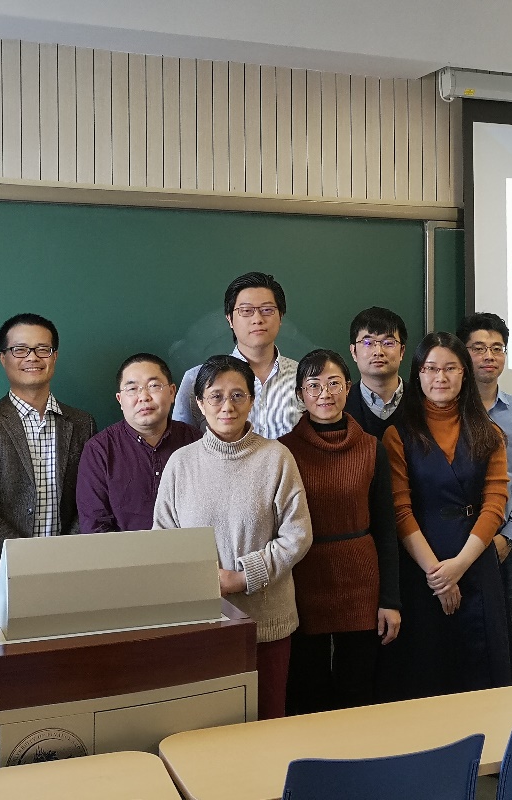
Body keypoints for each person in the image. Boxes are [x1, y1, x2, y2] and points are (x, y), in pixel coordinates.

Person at [154, 355, 312, 720]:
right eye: (216, 396)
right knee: (207, 726)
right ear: (199, 403)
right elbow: (163, 539)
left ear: (252, 400)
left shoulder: (276, 458)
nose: (227, 406)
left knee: (267, 722)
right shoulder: (180, 463)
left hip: (266, 623)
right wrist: (201, 581)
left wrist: (243, 577)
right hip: (200, 623)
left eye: (238, 395)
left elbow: (297, 534)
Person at [378, 331, 512, 699]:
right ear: (418, 374)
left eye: (451, 368)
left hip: (475, 560)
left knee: (482, 671)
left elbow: (495, 504)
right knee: (428, 669)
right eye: (431, 368)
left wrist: (459, 566)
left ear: (464, 373)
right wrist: (438, 576)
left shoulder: (490, 433)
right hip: (422, 564)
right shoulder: (398, 435)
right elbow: (400, 510)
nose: (441, 377)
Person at [279, 349, 401, 714]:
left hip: (360, 582)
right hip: (304, 581)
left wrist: (390, 601)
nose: (325, 394)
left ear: (348, 388)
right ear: (300, 394)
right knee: (308, 690)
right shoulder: (283, 451)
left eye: (334, 383)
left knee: (357, 691)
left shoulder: (372, 448)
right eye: (313, 385)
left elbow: (386, 529)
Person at [0, 313, 97, 587]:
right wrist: (27, 562)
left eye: (42, 349)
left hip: (67, 573)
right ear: (3, 358)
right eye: (19, 349)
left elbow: (88, 500)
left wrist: (64, 558)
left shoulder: (82, 423)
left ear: (54, 356)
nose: (32, 357)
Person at [458, 312, 512, 683]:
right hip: (459, 540)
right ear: (463, 353)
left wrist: (509, 537)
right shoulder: (447, 410)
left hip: (511, 543)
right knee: (463, 642)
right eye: (478, 348)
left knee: (511, 642)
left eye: (497, 348)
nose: (489, 356)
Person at [76, 352, 200, 533]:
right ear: (120, 400)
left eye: (154, 386)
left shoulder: (196, 441)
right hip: (122, 552)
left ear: (172, 392)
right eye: (132, 389)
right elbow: (94, 527)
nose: (144, 397)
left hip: (189, 548)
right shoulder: (99, 451)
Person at [174, 271, 302, 439]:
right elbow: (181, 442)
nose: (257, 319)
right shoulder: (196, 379)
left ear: (280, 316)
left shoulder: (304, 378)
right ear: (229, 319)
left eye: (267, 310)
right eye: (246, 310)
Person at [344, 306, 409, 438]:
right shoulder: (340, 406)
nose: (378, 352)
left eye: (388, 343)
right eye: (368, 343)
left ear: (402, 351)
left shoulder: (422, 402)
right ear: (353, 352)